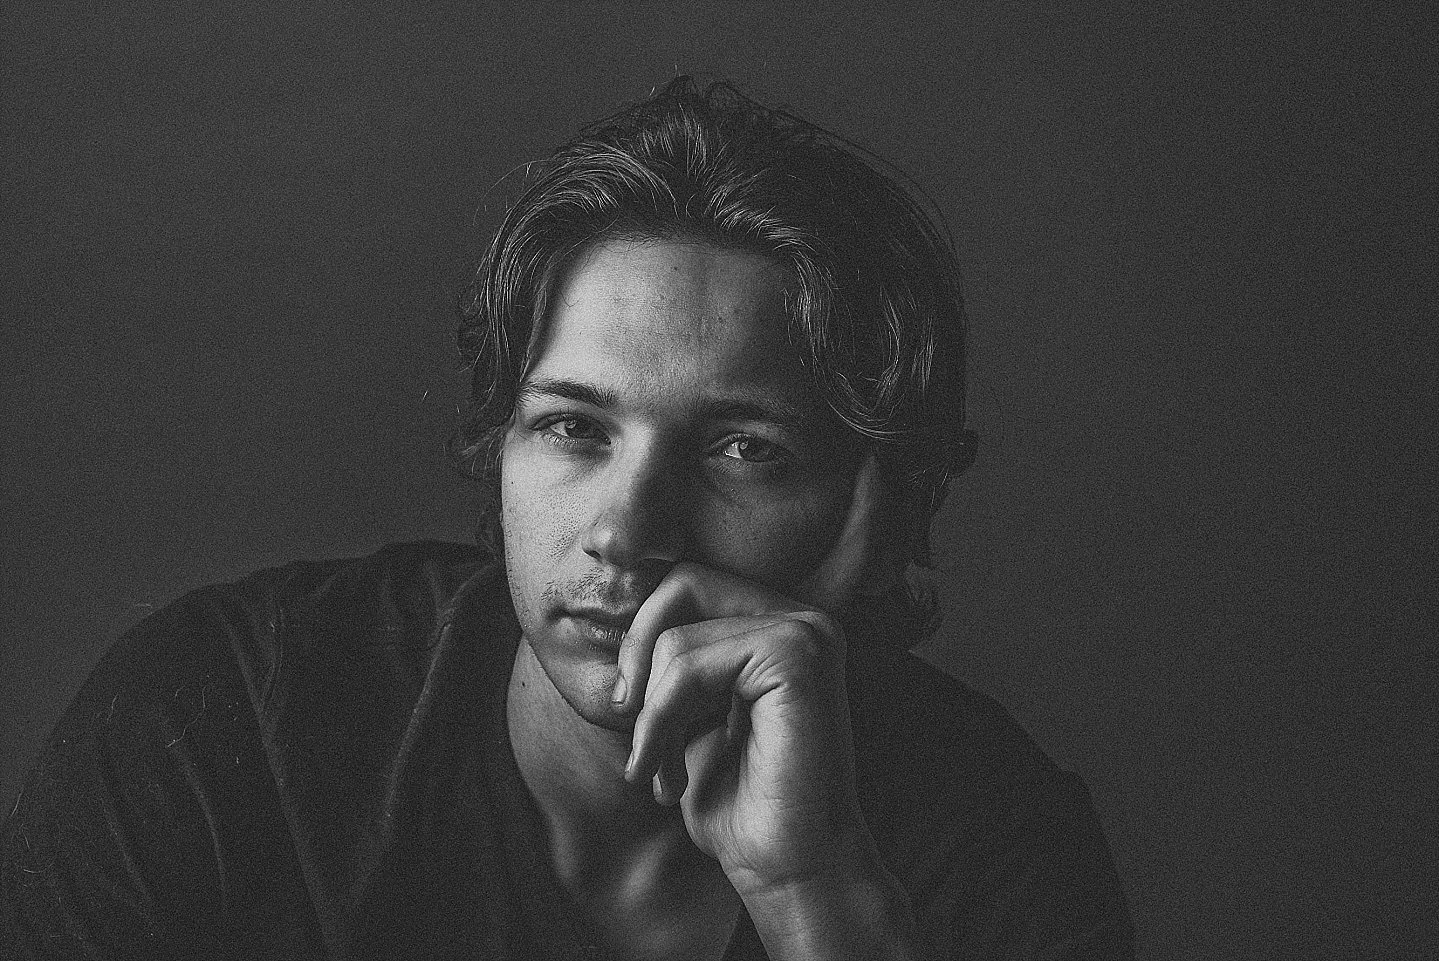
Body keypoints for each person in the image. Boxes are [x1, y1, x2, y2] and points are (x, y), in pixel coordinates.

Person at [1, 78, 1134, 959]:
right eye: (573, 430)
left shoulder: (989, 842)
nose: (626, 531)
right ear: (497, 445)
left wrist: (811, 893)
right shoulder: (222, 725)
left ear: (884, 506)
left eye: (743, 449)